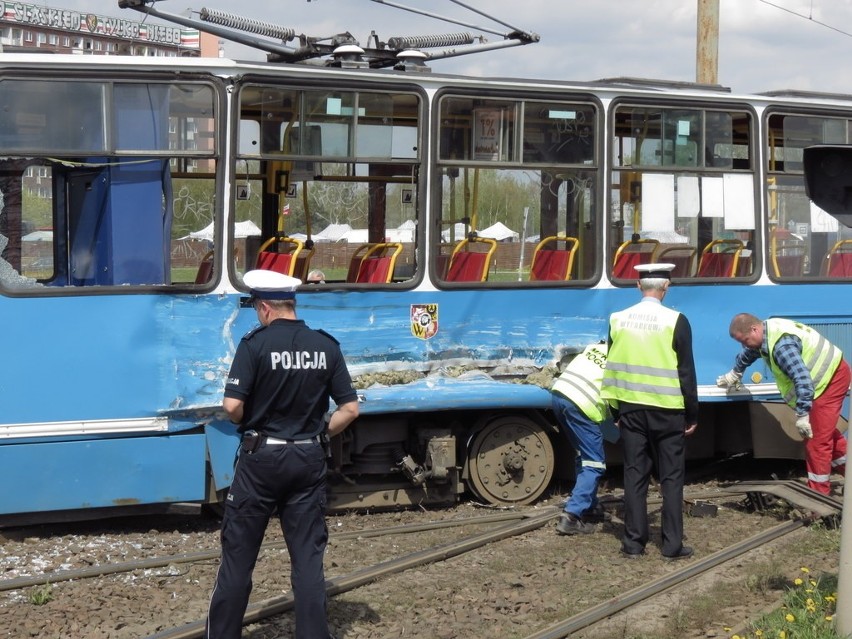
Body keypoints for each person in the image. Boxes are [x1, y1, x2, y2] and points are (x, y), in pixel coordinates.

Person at [205, 269, 359, 639]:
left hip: (262, 460)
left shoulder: (254, 344)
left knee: (238, 560)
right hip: (307, 459)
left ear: (263, 308)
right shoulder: (325, 346)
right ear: (290, 303)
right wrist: (320, 432)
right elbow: (350, 409)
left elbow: (231, 407)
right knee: (308, 562)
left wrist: (252, 418)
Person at [601, 263, 698, 560]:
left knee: (634, 475)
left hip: (630, 409)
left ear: (638, 286)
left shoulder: (617, 319)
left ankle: (633, 544)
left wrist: (615, 409)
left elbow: (612, 365)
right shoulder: (677, 321)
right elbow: (686, 373)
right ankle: (671, 546)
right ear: (666, 287)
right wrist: (692, 414)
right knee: (671, 478)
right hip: (668, 411)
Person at [717, 313, 848, 495]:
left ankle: (819, 497)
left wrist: (803, 415)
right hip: (824, 379)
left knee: (816, 441)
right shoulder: (765, 333)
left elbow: (803, 380)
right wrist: (735, 372)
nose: (744, 345)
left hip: (829, 379)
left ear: (754, 329)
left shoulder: (781, 347)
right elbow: (750, 352)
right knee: (825, 434)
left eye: (744, 340)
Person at [551, 342, 613, 535]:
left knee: (583, 454)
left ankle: (590, 506)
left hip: (559, 395)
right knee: (595, 463)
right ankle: (571, 515)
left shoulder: (596, 346)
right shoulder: (624, 359)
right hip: (582, 404)